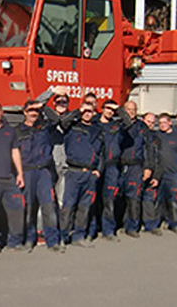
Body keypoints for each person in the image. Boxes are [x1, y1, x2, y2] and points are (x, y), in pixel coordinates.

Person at [15, 100, 62, 253]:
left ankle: (52, 240)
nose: (33, 113)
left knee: (48, 206)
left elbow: (56, 119)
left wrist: (42, 106)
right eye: (30, 110)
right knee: (28, 207)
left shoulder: (45, 127)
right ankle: (29, 239)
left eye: (35, 110)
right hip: (27, 171)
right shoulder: (18, 131)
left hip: (43, 172)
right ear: (24, 112)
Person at [60, 102, 103, 247]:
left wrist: (98, 171)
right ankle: (62, 236)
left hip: (90, 174)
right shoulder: (72, 127)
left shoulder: (98, 130)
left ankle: (79, 236)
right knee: (68, 206)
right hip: (74, 172)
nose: (87, 113)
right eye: (85, 111)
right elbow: (63, 122)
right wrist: (78, 111)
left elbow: (102, 152)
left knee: (84, 207)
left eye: (90, 111)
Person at [0, 100, 26, 251]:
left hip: (9, 178)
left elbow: (15, 151)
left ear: (1, 112)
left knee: (16, 209)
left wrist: (20, 173)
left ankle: (15, 241)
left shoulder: (10, 131)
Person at [90, 99, 126, 241]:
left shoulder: (117, 126)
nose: (110, 111)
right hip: (95, 165)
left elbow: (128, 122)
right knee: (92, 199)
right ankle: (91, 230)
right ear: (102, 109)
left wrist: (120, 109)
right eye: (108, 108)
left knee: (109, 199)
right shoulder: (94, 124)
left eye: (113, 109)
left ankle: (108, 230)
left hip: (112, 166)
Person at [118, 100, 147, 238]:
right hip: (119, 164)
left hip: (136, 165)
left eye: (133, 110)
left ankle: (132, 227)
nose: (131, 112)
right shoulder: (118, 125)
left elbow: (148, 148)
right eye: (128, 109)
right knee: (117, 197)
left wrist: (148, 167)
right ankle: (118, 224)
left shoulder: (142, 127)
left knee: (134, 198)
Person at [141, 112, 163, 235]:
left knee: (149, 199)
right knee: (131, 199)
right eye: (148, 121)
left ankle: (150, 224)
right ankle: (129, 225)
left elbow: (159, 158)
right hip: (135, 171)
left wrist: (156, 176)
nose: (150, 124)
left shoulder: (156, 138)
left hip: (152, 172)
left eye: (152, 122)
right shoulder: (136, 135)